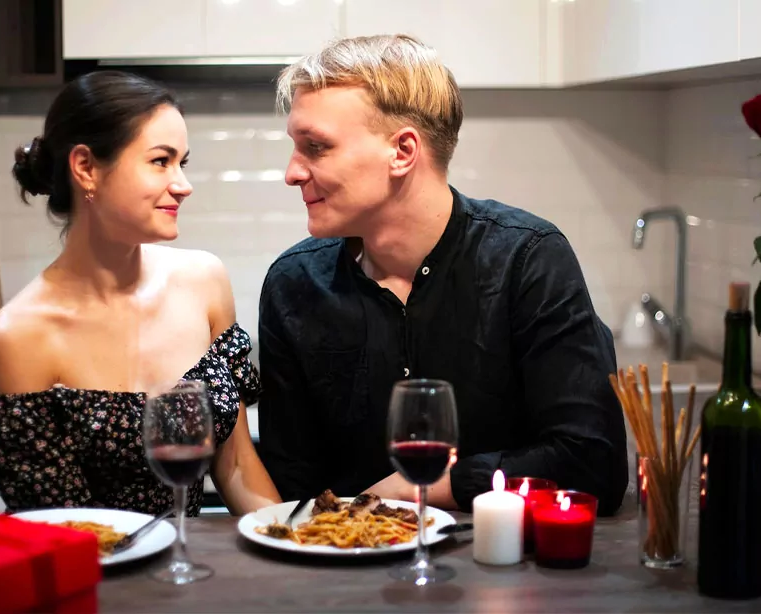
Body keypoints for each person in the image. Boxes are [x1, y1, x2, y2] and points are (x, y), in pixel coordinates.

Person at [256, 35, 628, 516]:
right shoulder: (294, 284)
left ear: (402, 151)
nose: (292, 172)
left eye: (316, 147)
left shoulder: (527, 260)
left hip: (501, 573)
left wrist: (424, 489)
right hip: (341, 573)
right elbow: (293, 486)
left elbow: (592, 462)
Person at [0, 70, 281, 517]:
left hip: (189, 571)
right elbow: (62, 527)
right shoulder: (17, 337)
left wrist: (285, 548)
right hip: (96, 578)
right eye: (161, 161)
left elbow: (235, 466)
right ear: (86, 168)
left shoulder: (203, 280)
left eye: (183, 163)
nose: (183, 184)